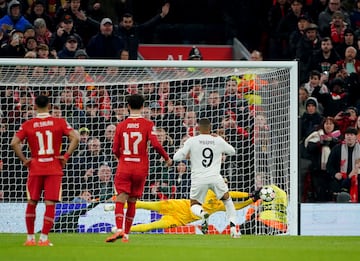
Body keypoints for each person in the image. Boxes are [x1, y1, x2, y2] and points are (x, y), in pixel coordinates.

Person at [10, 95, 80, 246]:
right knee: (50, 203)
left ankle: (29, 239)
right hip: (54, 167)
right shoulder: (59, 122)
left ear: (35, 107)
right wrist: (66, 156)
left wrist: (25, 160)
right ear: (49, 106)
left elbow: (14, 143)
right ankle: (43, 238)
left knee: (32, 201)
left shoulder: (28, 124)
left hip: (35, 167)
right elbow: (76, 137)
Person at [105, 94, 173, 243]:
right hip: (140, 168)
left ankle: (118, 229)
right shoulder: (148, 124)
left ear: (128, 107)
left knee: (121, 198)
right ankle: (127, 235)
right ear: (143, 107)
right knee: (133, 201)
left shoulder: (121, 125)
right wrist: (167, 158)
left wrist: (120, 159)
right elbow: (155, 144)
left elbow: (115, 148)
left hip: (125, 166)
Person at [173, 118, 240, 238]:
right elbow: (232, 151)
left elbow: (176, 157)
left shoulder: (192, 141)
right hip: (215, 178)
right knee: (227, 201)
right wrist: (220, 141)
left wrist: (189, 154)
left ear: (198, 128)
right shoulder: (217, 140)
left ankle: (203, 214)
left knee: (194, 204)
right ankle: (234, 229)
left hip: (198, 179)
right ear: (210, 128)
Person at [104, 186, 260, 233]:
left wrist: (251, 200)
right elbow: (231, 194)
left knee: (153, 226)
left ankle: (123, 230)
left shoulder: (220, 206)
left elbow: (236, 206)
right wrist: (248, 194)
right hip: (178, 205)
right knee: (146, 204)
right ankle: (115, 206)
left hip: (180, 219)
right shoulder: (212, 192)